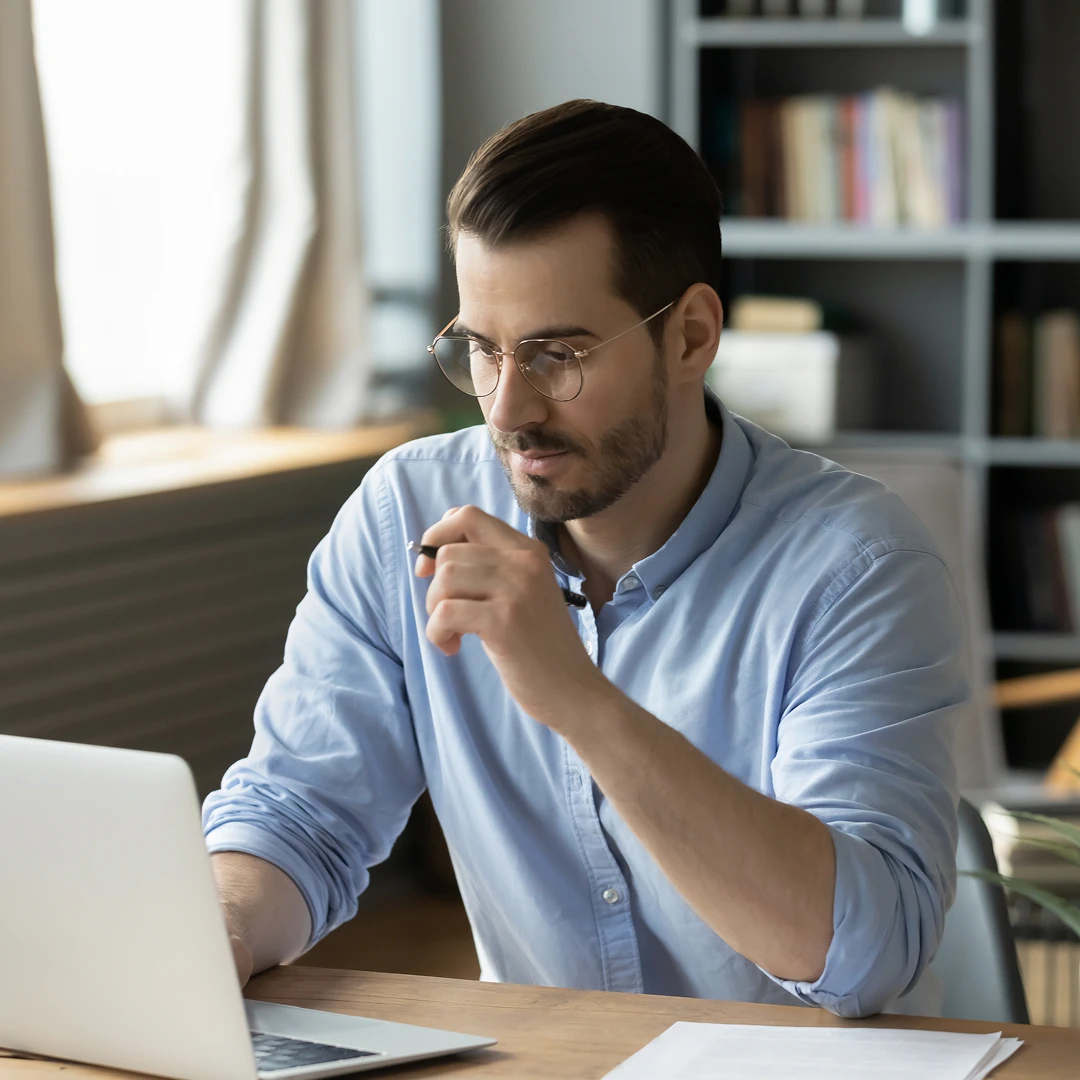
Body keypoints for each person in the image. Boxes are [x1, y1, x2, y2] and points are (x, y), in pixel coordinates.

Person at [204, 99, 964, 1018]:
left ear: (689, 336)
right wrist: (225, 926)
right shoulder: (405, 509)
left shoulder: (857, 566)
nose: (506, 410)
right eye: (481, 351)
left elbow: (861, 954)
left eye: (556, 355)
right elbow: (300, 815)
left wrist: (574, 694)